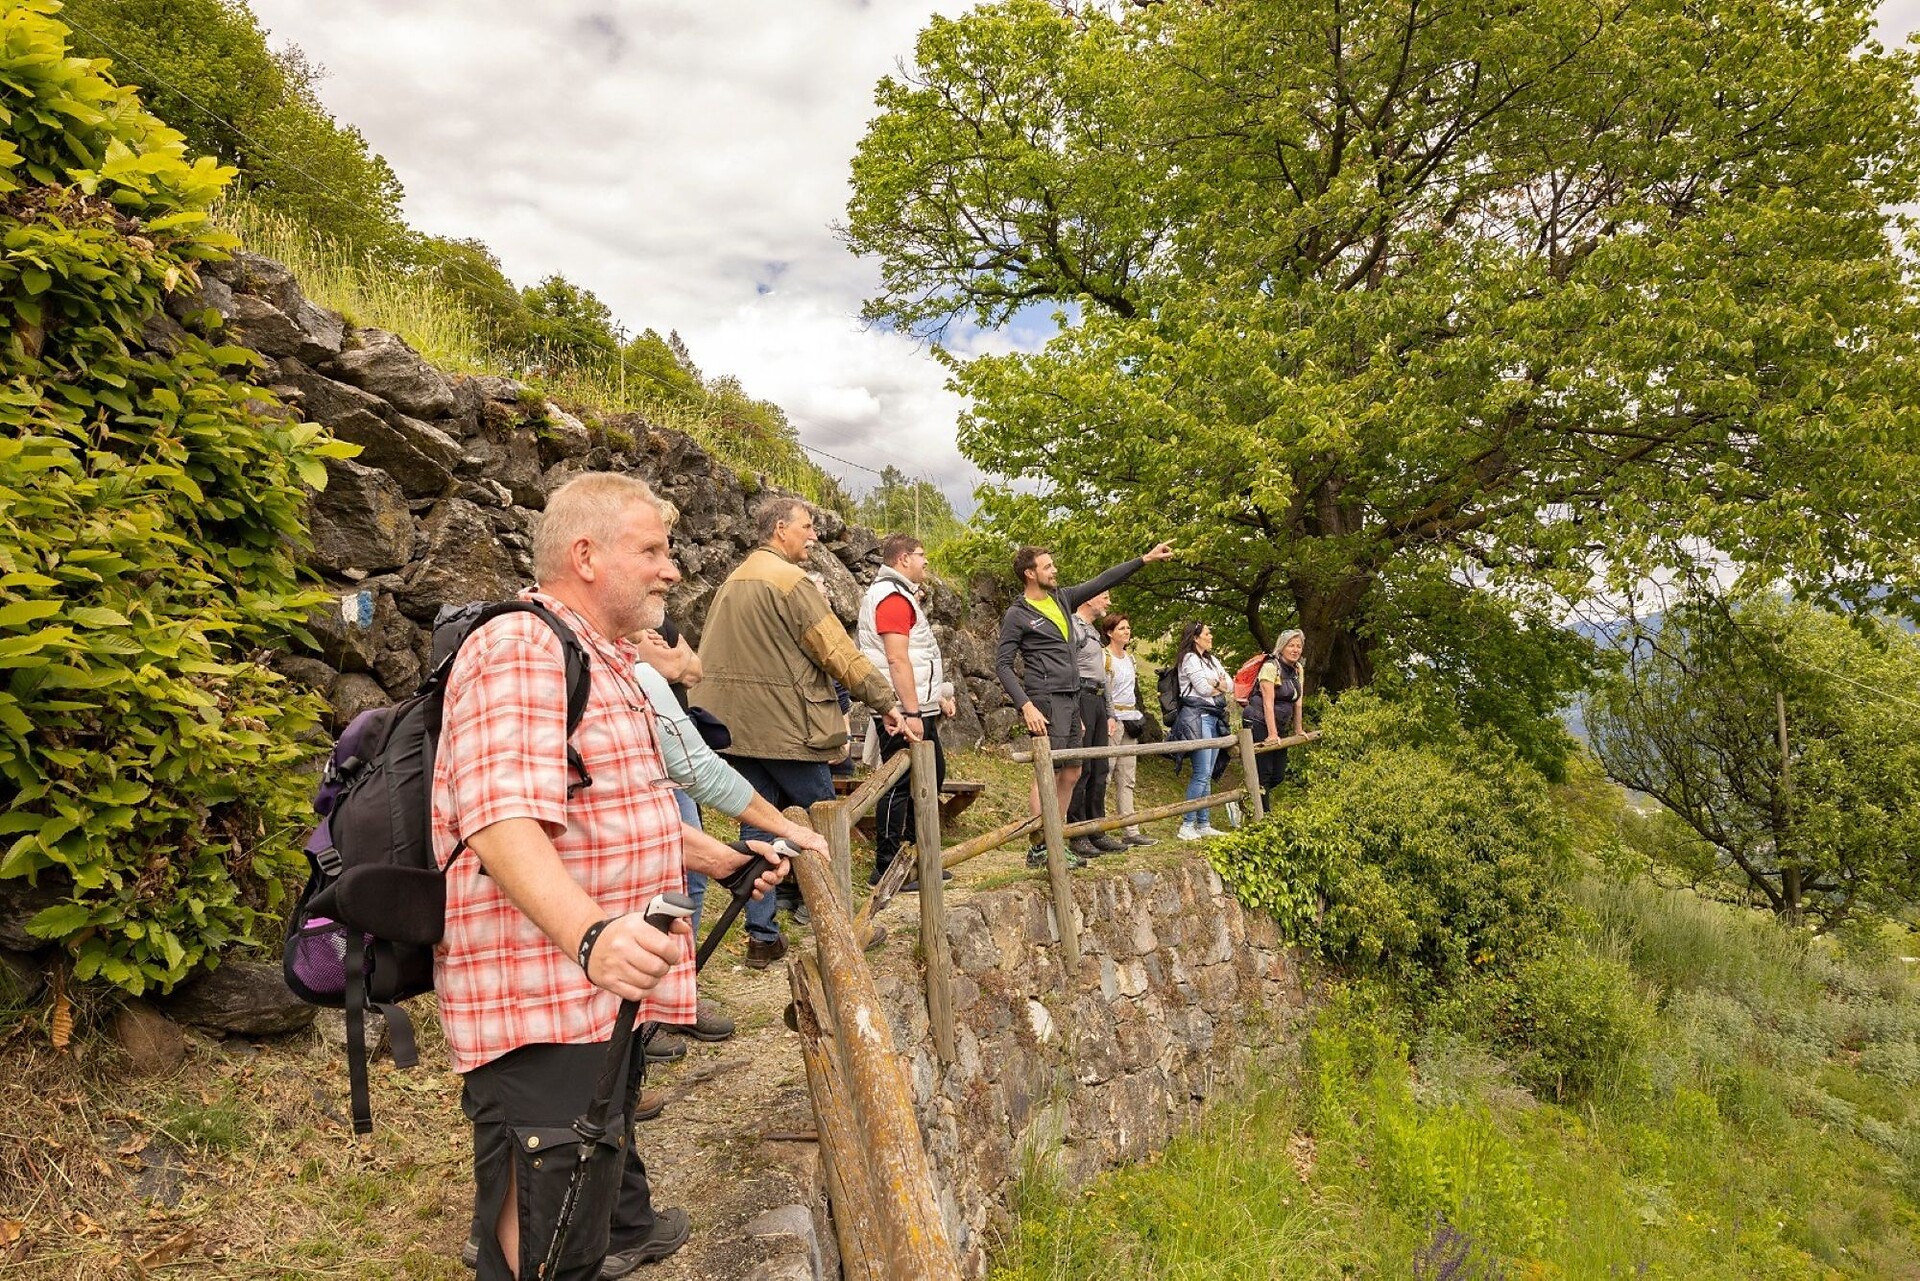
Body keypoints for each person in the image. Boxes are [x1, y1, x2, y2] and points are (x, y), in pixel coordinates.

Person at [433, 472, 789, 1279]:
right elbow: (498, 819)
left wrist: (726, 859)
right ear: (585, 554)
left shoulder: (604, 659)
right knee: (546, 1229)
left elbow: (621, 811)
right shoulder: (523, 645)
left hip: (588, 997)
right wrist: (590, 934)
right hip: (541, 998)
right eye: (653, 549)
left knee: (579, 1223)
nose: (672, 569)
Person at [692, 495, 906, 967]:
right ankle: (848, 928)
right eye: (807, 526)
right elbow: (837, 652)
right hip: (791, 729)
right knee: (826, 825)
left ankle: (761, 937)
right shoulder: (790, 582)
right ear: (779, 529)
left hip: (738, 730)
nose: (814, 535)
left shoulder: (735, 579)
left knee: (759, 828)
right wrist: (887, 701)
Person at [995, 540, 1175, 868]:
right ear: (1030, 573)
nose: (1055, 570)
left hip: (1071, 697)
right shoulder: (1017, 614)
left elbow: (1102, 580)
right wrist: (1026, 706)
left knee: (1074, 769)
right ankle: (1039, 846)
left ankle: (1056, 837)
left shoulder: (1062, 598)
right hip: (1045, 700)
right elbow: (1003, 665)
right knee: (1047, 771)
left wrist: (1144, 559)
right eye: (1048, 566)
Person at [856, 533, 957, 888]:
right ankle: (885, 866)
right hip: (902, 711)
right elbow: (897, 658)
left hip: (918, 707)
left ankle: (916, 856)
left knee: (930, 776)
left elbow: (916, 654)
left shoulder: (900, 596)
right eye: (920, 555)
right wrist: (910, 712)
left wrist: (937, 696)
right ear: (902, 560)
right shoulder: (892, 598)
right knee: (898, 782)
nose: (926, 561)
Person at [1064, 591, 1126, 858]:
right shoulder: (1072, 628)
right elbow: (1068, 671)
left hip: (1099, 702)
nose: (1109, 602)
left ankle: (1097, 830)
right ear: (1088, 599)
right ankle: (1077, 834)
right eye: (1104, 596)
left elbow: (1104, 677)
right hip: (1083, 700)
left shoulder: (1093, 632)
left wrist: (1110, 713)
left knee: (1100, 768)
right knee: (1083, 769)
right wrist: (1074, 710)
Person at [1170, 620, 1233, 840]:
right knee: (1201, 773)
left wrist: (1215, 684)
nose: (1211, 636)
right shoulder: (1189, 658)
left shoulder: (1211, 659)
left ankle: (1204, 822)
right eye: (1207, 633)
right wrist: (1218, 685)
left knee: (1207, 773)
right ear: (1196, 637)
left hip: (1213, 718)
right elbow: (1203, 688)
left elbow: (1230, 685)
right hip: (1197, 719)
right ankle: (1187, 824)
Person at [1099, 612, 1155, 846]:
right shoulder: (1104, 657)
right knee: (1106, 775)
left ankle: (1130, 830)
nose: (1127, 631)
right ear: (1110, 632)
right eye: (1122, 628)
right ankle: (1098, 828)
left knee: (1127, 777)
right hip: (1113, 721)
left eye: (1128, 628)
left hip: (1131, 719)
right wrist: (1108, 717)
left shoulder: (1130, 659)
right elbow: (1102, 690)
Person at [1245, 628, 1307, 810]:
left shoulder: (1297, 669)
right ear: (1282, 647)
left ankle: (1247, 797)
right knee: (1264, 772)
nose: (1295, 650)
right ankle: (1263, 818)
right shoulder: (1271, 667)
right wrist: (1272, 734)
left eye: (1299, 646)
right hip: (1258, 721)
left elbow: (1298, 703)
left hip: (1280, 723)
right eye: (1291, 646)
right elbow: (1268, 703)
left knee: (1278, 774)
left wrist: (1298, 730)